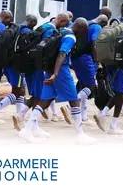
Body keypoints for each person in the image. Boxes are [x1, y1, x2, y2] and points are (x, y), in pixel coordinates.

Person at [19, 13, 96, 144]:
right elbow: (61, 54)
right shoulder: (71, 37)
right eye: (85, 30)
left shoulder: (62, 31)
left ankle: (27, 130)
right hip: (60, 71)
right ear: (81, 28)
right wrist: (55, 73)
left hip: (49, 68)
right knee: (74, 100)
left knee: (45, 100)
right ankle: (80, 134)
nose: (85, 33)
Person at [70, 16, 102, 126]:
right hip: (85, 59)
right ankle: (75, 101)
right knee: (92, 86)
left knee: (84, 86)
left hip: (76, 59)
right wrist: (97, 60)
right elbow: (94, 42)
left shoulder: (81, 26)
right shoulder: (97, 27)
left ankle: (83, 115)